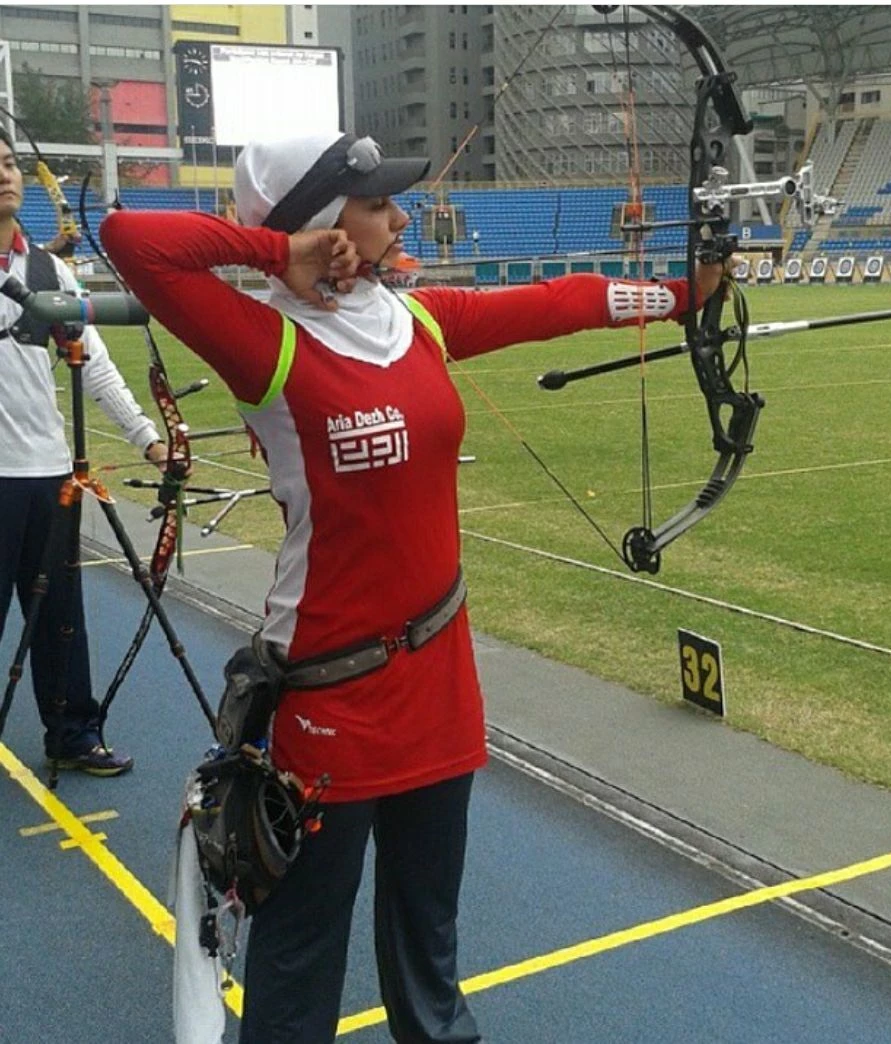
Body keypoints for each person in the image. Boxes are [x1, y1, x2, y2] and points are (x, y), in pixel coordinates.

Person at [100, 131, 729, 1043]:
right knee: (302, 947)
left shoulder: (418, 321)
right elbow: (131, 238)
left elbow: (555, 303)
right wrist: (281, 252)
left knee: (429, 933)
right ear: (324, 225)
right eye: (376, 204)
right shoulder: (265, 341)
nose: (400, 217)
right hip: (328, 692)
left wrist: (680, 297)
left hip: (439, 675)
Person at [0, 126, 167, 777]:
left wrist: (147, 437)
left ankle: (71, 731)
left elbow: (92, 365)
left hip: (49, 474)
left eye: (10, 163)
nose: (6, 174)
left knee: (61, 617)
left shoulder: (48, 268)